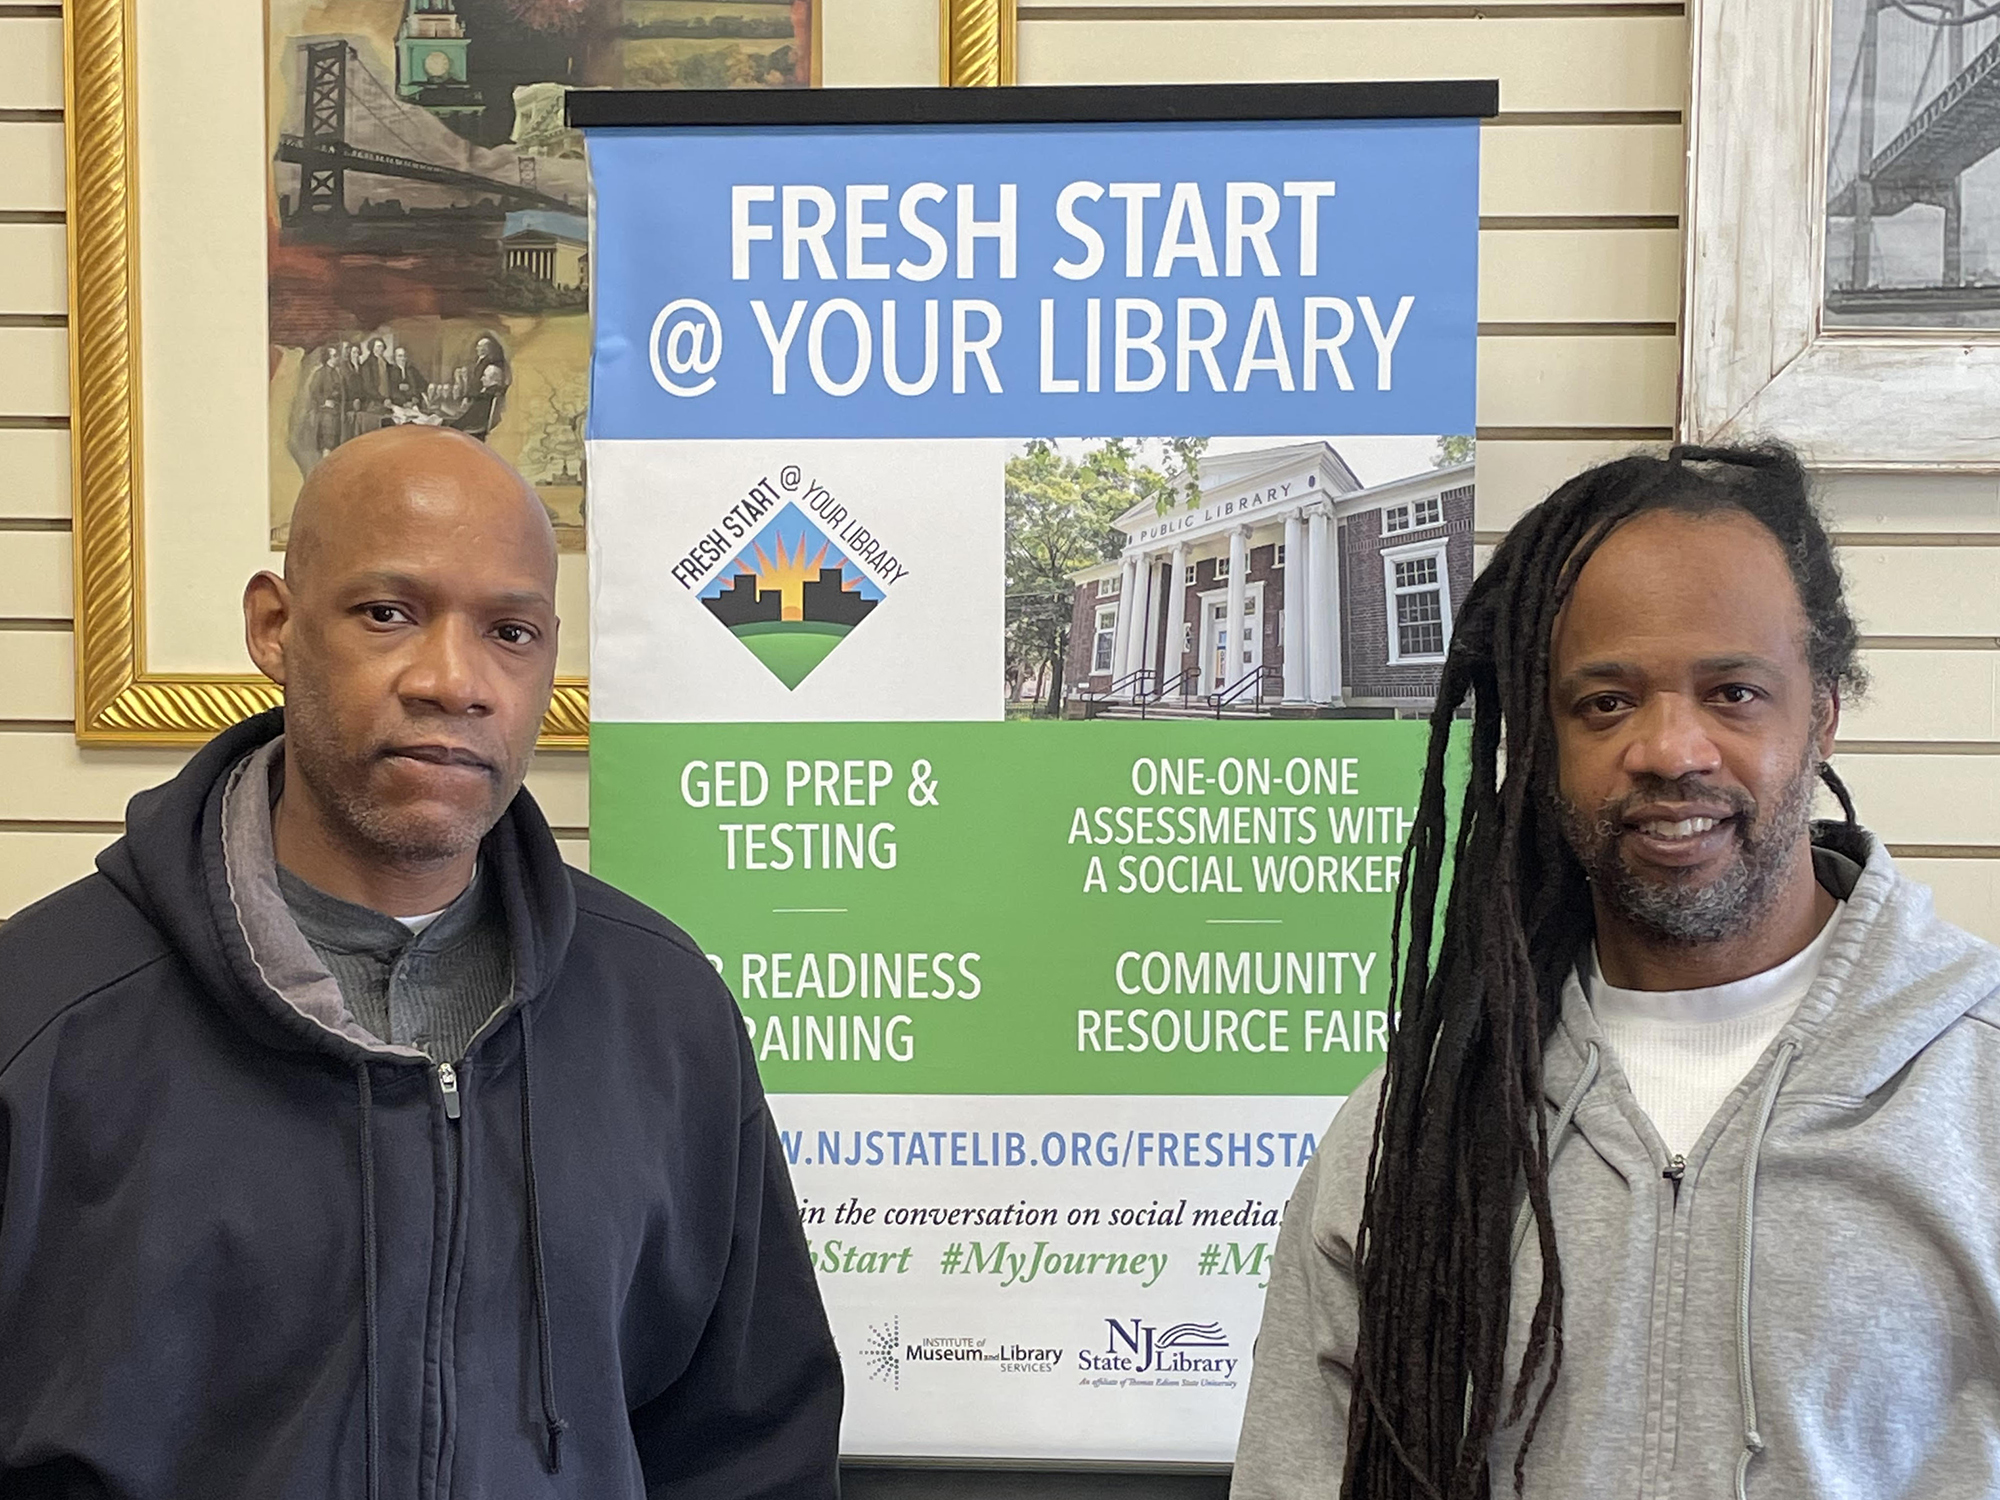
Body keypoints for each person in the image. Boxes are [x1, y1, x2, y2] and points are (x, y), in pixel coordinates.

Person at [0, 427, 843, 1496]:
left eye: (510, 632)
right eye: (388, 613)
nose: (454, 681)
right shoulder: (37, 1015)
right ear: (275, 627)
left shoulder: (664, 1015)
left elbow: (750, 1449)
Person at [1233, 445, 2000, 1499]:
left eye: (1733, 692)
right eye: (1604, 702)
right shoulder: (1414, 1133)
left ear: (1820, 713)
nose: (1671, 749)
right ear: (1541, 740)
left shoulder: (1978, 1090)